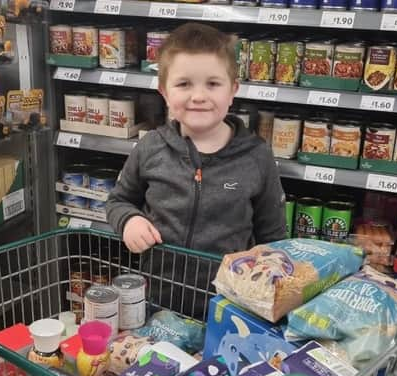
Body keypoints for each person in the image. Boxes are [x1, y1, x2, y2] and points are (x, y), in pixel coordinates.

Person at [106, 22, 286, 256]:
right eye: (183, 84)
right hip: (163, 287)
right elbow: (118, 201)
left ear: (232, 91)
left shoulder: (257, 157)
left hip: (229, 291)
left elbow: (273, 236)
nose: (199, 96)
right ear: (164, 93)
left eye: (212, 84)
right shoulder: (150, 147)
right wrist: (129, 221)